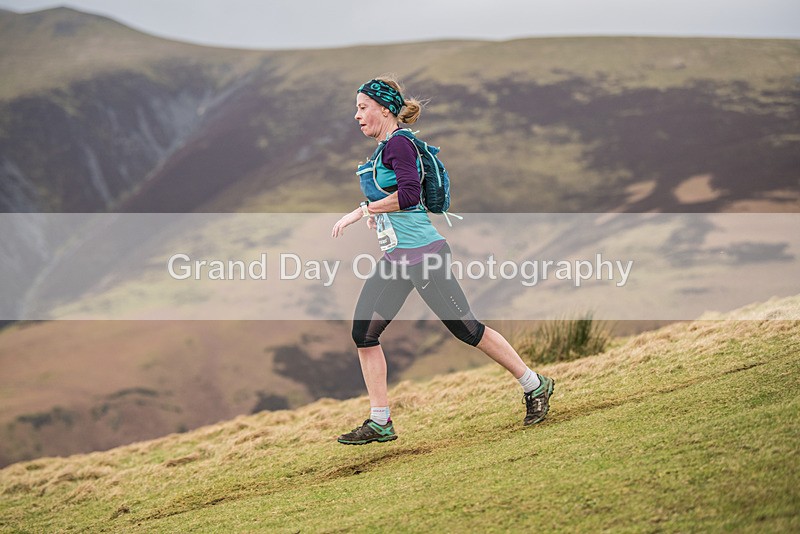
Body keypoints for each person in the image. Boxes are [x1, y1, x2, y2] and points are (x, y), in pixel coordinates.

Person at [331, 75, 554, 445]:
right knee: (364, 333)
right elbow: (397, 199)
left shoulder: (400, 144)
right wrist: (379, 217)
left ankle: (535, 384)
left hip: (425, 256)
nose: (357, 115)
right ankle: (380, 420)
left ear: (384, 108)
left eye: (362, 107)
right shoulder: (384, 148)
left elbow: (409, 194)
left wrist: (362, 211)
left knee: (467, 329)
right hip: (397, 259)